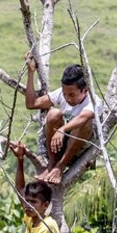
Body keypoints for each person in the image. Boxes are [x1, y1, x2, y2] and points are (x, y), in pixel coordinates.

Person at [23, 57, 100, 185]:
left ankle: (60, 166)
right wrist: (31, 72)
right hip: (61, 145)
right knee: (53, 113)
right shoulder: (62, 93)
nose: (67, 98)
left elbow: (83, 118)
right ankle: (52, 164)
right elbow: (31, 104)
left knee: (85, 122)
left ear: (85, 90)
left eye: (72, 95)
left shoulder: (94, 102)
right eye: (65, 94)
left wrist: (62, 129)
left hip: (79, 149)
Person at [9, 142, 61, 233]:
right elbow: (19, 188)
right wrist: (20, 159)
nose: (28, 205)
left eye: (33, 202)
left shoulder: (48, 224)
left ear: (45, 205)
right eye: (27, 201)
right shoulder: (31, 217)